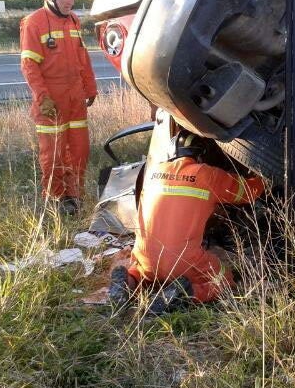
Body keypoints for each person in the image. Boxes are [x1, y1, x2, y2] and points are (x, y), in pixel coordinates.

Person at [109, 131, 265, 313]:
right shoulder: (207, 175)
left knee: (142, 270)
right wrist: (264, 177)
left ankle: (129, 283)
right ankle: (187, 293)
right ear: (201, 155)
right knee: (224, 278)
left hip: (146, 258)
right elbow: (247, 192)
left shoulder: (152, 174)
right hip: (184, 262)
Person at [20, 0, 98, 215]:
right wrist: (43, 97)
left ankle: (74, 196)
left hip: (75, 96)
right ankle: (55, 199)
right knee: (53, 153)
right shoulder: (34, 22)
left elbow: (82, 57)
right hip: (51, 99)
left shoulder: (74, 20)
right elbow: (29, 65)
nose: (70, 1)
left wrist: (90, 87)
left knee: (79, 150)